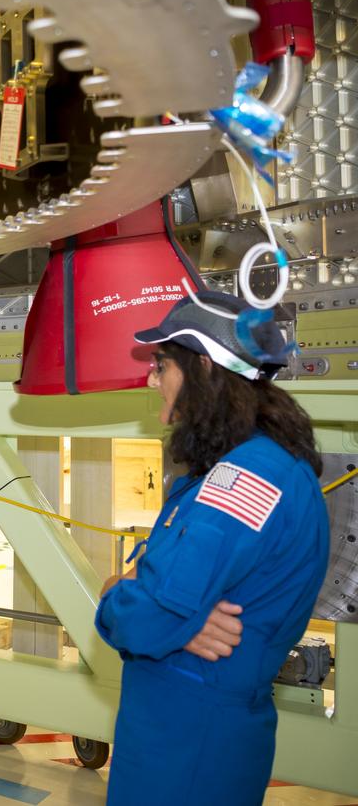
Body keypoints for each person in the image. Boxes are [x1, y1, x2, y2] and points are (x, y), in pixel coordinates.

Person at [95, 291, 330, 805]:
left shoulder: (246, 478)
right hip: (188, 725)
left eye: (161, 364)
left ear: (202, 365)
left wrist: (120, 599)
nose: (152, 379)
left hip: (187, 740)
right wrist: (158, 606)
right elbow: (154, 593)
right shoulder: (239, 470)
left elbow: (148, 609)